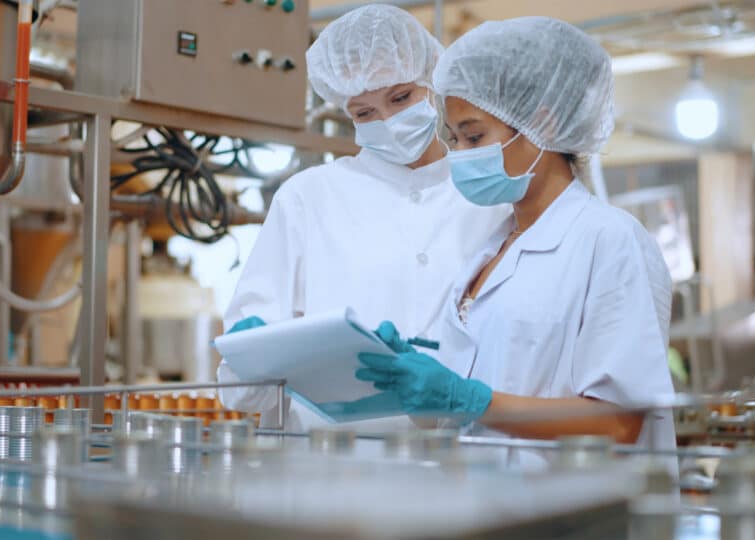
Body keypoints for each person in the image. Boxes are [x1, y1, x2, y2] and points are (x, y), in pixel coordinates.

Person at [353, 17, 677, 470]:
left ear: (540, 123)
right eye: (454, 138)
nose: (460, 154)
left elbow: (620, 424)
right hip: (487, 509)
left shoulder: (609, 240)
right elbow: (464, 410)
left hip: (573, 517)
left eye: (475, 135)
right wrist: (412, 376)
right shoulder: (490, 249)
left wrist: (469, 399)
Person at [216, 5, 510, 430]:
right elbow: (244, 385)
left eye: (400, 97)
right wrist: (252, 357)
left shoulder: (486, 197)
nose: (387, 121)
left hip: (456, 461)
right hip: (328, 466)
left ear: (431, 82)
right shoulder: (308, 197)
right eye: (364, 112)